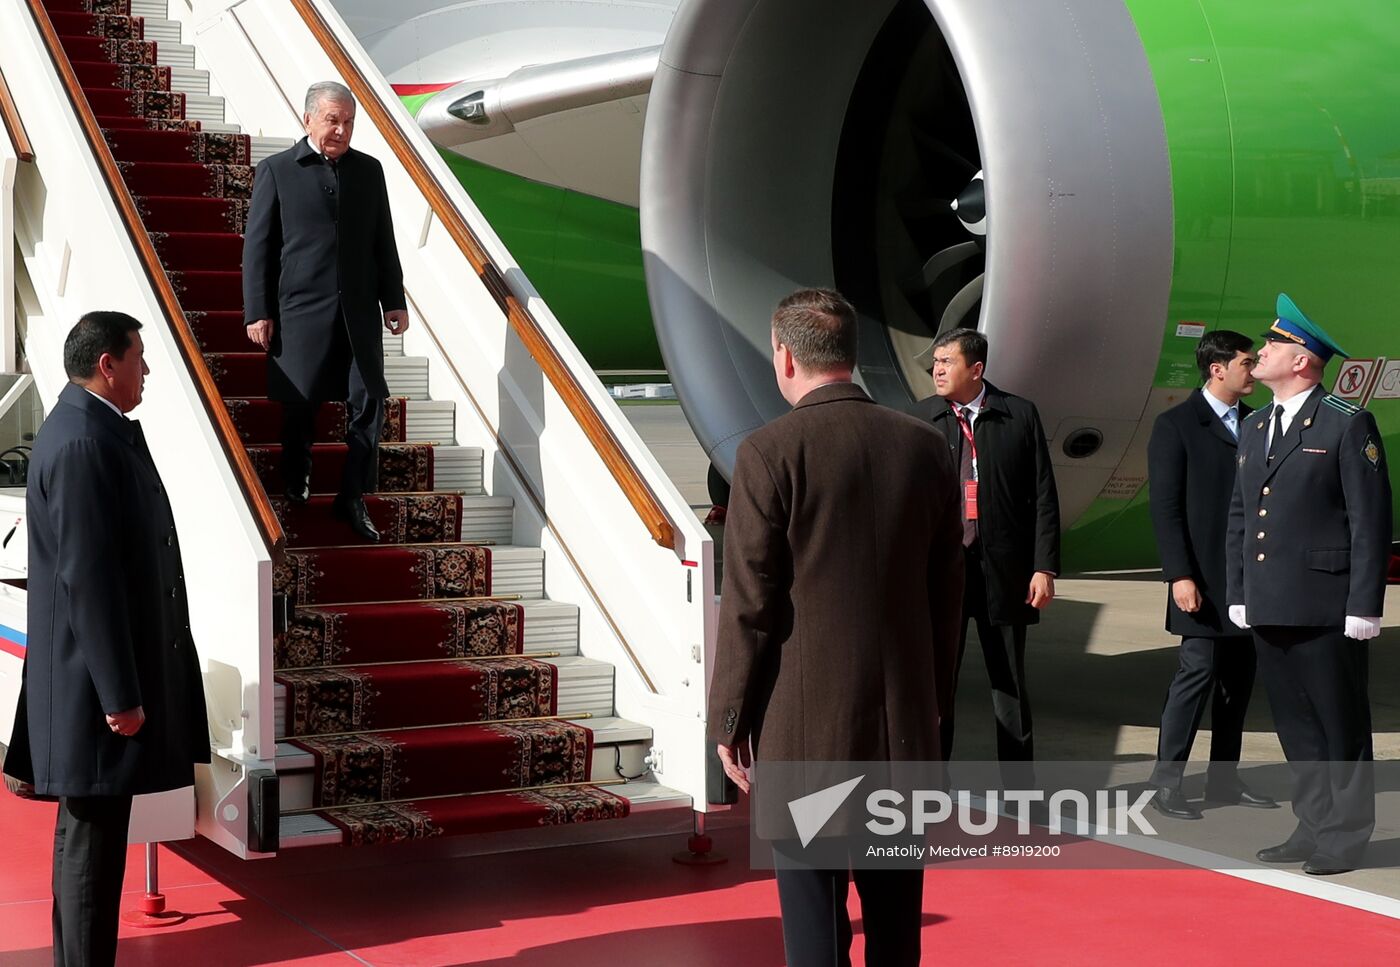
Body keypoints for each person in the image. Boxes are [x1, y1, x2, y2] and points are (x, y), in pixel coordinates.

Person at [708, 289, 963, 966]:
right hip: (903, 734)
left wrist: (729, 720)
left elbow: (749, 607)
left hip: (804, 735)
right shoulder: (926, 446)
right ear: (849, 354)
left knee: (814, 932)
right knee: (895, 930)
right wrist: (934, 704)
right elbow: (947, 599)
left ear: (785, 356)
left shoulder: (767, 453)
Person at [2, 312, 211, 966]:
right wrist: (120, 694)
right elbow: (88, 580)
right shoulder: (85, 442)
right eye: (139, 358)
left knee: (81, 838)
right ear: (108, 364)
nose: (146, 370)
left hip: (83, 684)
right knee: (91, 852)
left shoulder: (82, 429)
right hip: (97, 693)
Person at [1226, 293, 1391, 875]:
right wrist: (1240, 591)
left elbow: (1370, 521)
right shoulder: (1254, 427)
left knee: (1338, 724)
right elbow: (1242, 516)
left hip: (1326, 604)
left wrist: (1364, 604)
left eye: (1272, 345)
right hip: (1271, 601)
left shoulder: (1347, 424)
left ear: (1302, 361)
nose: (1261, 352)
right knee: (1295, 724)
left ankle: (1345, 835)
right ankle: (1313, 823)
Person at [242, 80, 408, 542]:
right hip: (300, 311)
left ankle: (351, 496)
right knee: (300, 403)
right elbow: (258, 247)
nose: (341, 129)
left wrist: (394, 300)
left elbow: (383, 240)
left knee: (371, 399)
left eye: (349, 121)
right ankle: (297, 474)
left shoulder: (369, 171)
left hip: (358, 313)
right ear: (309, 118)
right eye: (333, 119)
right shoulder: (277, 170)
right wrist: (258, 311)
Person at [911, 329, 1059, 780]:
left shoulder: (1018, 415)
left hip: (1006, 572)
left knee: (1009, 684)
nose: (937, 369)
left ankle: (1018, 788)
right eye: (935, 362)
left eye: (947, 362)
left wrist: (1044, 566)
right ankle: (931, 783)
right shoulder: (921, 420)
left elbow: (1044, 496)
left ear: (976, 369)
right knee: (938, 685)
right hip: (943, 574)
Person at [1146, 330, 1277, 819]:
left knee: (1238, 682)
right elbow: (1165, 508)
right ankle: (1167, 782)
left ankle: (1225, 778)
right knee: (1195, 674)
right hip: (1199, 579)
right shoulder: (1177, 425)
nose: (1254, 368)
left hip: (1247, 579)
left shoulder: (1258, 423)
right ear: (1218, 368)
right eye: (1246, 362)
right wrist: (1179, 574)